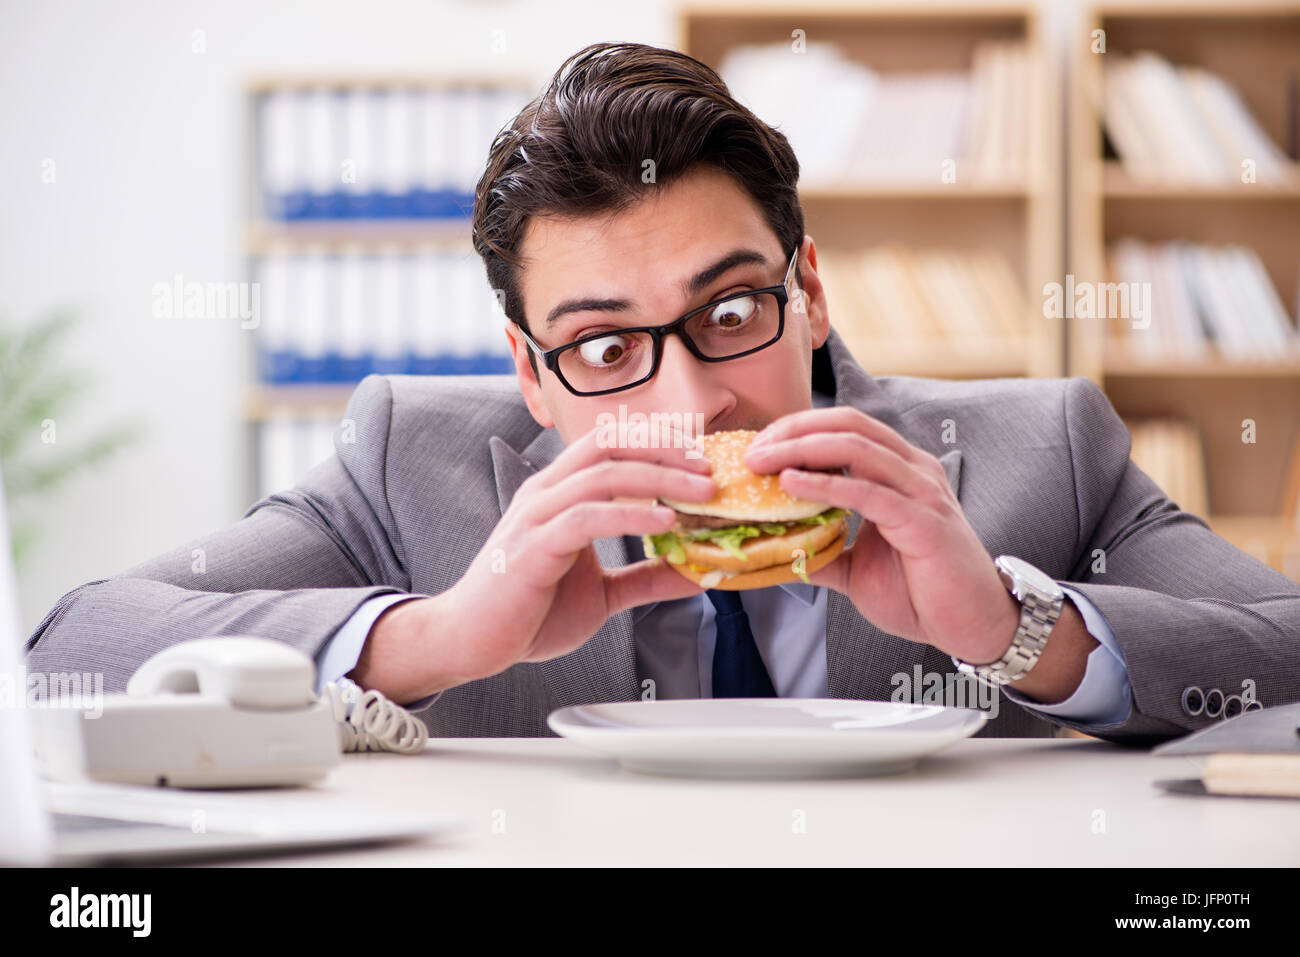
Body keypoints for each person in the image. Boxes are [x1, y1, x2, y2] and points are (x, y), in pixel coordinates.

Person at [25, 42, 1300, 744]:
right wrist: (437, 638)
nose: (696, 404)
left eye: (731, 311)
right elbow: (67, 652)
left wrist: (1016, 631)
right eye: (602, 345)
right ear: (529, 371)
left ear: (807, 288)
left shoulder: (1045, 450)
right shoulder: (406, 457)